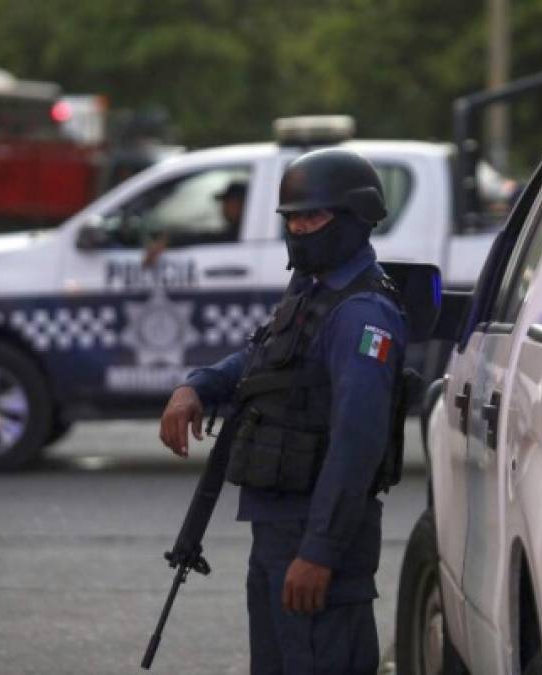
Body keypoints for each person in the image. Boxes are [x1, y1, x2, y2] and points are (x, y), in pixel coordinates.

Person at [159, 148, 407, 674]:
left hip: (316, 536)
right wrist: (198, 387)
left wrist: (320, 551)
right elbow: (263, 355)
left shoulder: (363, 315)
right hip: (277, 529)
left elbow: (356, 443)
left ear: (354, 219)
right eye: (291, 217)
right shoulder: (313, 288)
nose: (299, 227)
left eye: (312, 216)